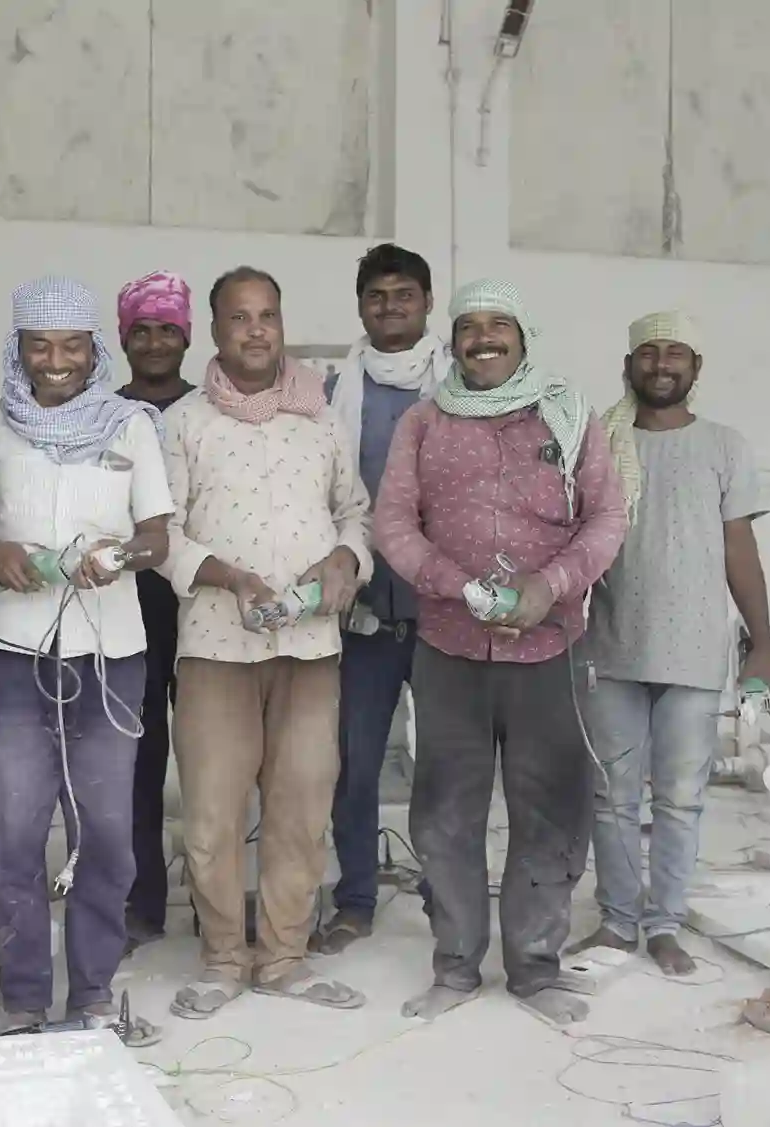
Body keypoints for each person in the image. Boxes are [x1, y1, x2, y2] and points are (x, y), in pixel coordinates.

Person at [374, 279, 627, 1025]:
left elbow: (608, 516)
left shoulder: (566, 413)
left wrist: (550, 587)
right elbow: (393, 522)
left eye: (498, 325)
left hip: (550, 647)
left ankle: (535, 967)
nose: (483, 338)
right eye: (469, 327)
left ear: (522, 336)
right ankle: (454, 964)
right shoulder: (423, 422)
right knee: (444, 812)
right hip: (449, 644)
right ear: (451, 342)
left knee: (550, 808)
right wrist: (455, 585)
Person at [159, 266, 374, 1019]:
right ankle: (223, 955)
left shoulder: (320, 417)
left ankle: (284, 955)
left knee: (301, 803)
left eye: (268, 316)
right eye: (239, 317)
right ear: (214, 331)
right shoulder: (183, 421)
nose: (256, 330)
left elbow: (356, 512)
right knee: (213, 812)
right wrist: (225, 575)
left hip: (312, 644)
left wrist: (347, 559)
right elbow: (161, 534)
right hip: (217, 641)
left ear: (282, 323)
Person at [0, 276, 173, 1045]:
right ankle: (24, 996)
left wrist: (117, 554)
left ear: (95, 349)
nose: (54, 361)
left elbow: (157, 535)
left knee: (105, 832)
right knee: (14, 833)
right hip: (14, 652)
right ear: (18, 348)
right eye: (39, 345)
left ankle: (91, 993)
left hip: (109, 655)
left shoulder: (130, 426)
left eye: (71, 345)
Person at [570, 311, 770, 978]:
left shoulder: (724, 445)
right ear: (628, 364)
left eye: (675, 352)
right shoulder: (600, 441)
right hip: (611, 643)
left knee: (681, 798)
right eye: (648, 352)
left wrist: (763, 644)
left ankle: (665, 923)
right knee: (612, 796)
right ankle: (618, 921)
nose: (661, 364)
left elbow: (739, 548)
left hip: (692, 650)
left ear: (696, 367)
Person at [312, 244, 453, 956]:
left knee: (443, 765)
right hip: (363, 613)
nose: (391, 307)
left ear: (429, 303)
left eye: (404, 295)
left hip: (442, 615)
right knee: (354, 763)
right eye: (377, 296)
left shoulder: (460, 385)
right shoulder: (334, 388)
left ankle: (446, 895)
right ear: (361, 305)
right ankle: (356, 897)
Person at [112, 270, 199, 952]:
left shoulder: (213, 411)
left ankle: (215, 900)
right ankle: (140, 902)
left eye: (167, 328)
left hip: (205, 605)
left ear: (187, 336)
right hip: (128, 606)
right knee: (135, 758)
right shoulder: (102, 415)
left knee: (210, 759)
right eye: (141, 329)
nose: (154, 341)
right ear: (123, 339)